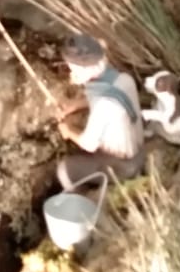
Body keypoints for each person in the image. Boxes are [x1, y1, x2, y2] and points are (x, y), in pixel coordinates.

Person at [55, 32, 145, 194]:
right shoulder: (123, 79)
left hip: (122, 166)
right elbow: (109, 94)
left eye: (74, 69)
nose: (71, 74)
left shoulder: (103, 105)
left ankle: (82, 198)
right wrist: (75, 105)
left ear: (86, 69)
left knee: (64, 170)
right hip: (139, 151)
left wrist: (68, 131)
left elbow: (89, 144)